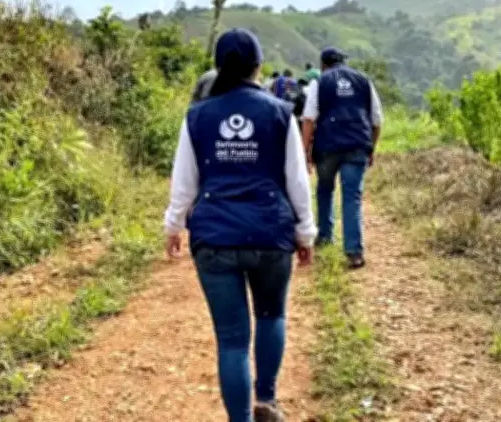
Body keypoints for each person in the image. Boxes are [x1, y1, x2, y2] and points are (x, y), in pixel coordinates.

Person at [164, 28, 317, 422]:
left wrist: (174, 226)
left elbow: (185, 180)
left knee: (232, 342)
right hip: (271, 234)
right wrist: (305, 232)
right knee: (271, 316)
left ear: (218, 68)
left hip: (215, 239)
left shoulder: (197, 117)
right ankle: (266, 400)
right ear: (258, 67)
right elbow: (296, 180)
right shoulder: (280, 113)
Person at [301, 46, 383, 269]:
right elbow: (377, 120)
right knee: (352, 197)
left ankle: (325, 236)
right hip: (357, 145)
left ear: (323, 64)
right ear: (343, 62)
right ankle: (354, 252)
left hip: (327, 147)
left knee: (325, 189)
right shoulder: (364, 81)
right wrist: (371, 149)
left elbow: (309, 119)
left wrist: (305, 151)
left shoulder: (320, 82)